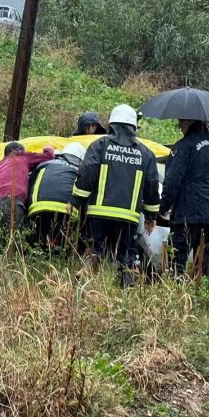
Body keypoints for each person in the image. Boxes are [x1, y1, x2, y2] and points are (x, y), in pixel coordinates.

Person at [71, 104, 160, 288]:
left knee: (95, 249)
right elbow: (152, 187)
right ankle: (126, 288)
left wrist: (76, 200)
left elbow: (87, 173)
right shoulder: (146, 154)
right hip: (128, 218)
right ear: (134, 127)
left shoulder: (100, 145)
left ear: (111, 125)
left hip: (98, 214)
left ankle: (85, 281)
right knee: (126, 256)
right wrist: (151, 216)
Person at [160, 119, 209, 281]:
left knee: (176, 264)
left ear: (187, 123)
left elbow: (172, 181)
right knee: (207, 268)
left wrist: (163, 208)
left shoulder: (183, 146)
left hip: (187, 215)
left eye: (180, 122)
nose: (179, 125)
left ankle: (175, 294)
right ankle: (202, 300)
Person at [0, 142, 55, 236]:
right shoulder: (21, 156)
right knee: (14, 243)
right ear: (19, 151)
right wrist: (48, 148)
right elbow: (48, 157)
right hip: (9, 201)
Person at [27, 142, 85, 248]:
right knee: (62, 243)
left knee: (39, 239)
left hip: (37, 207)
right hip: (67, 210)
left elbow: (31, 184)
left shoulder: (44, 165)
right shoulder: (81, 171)